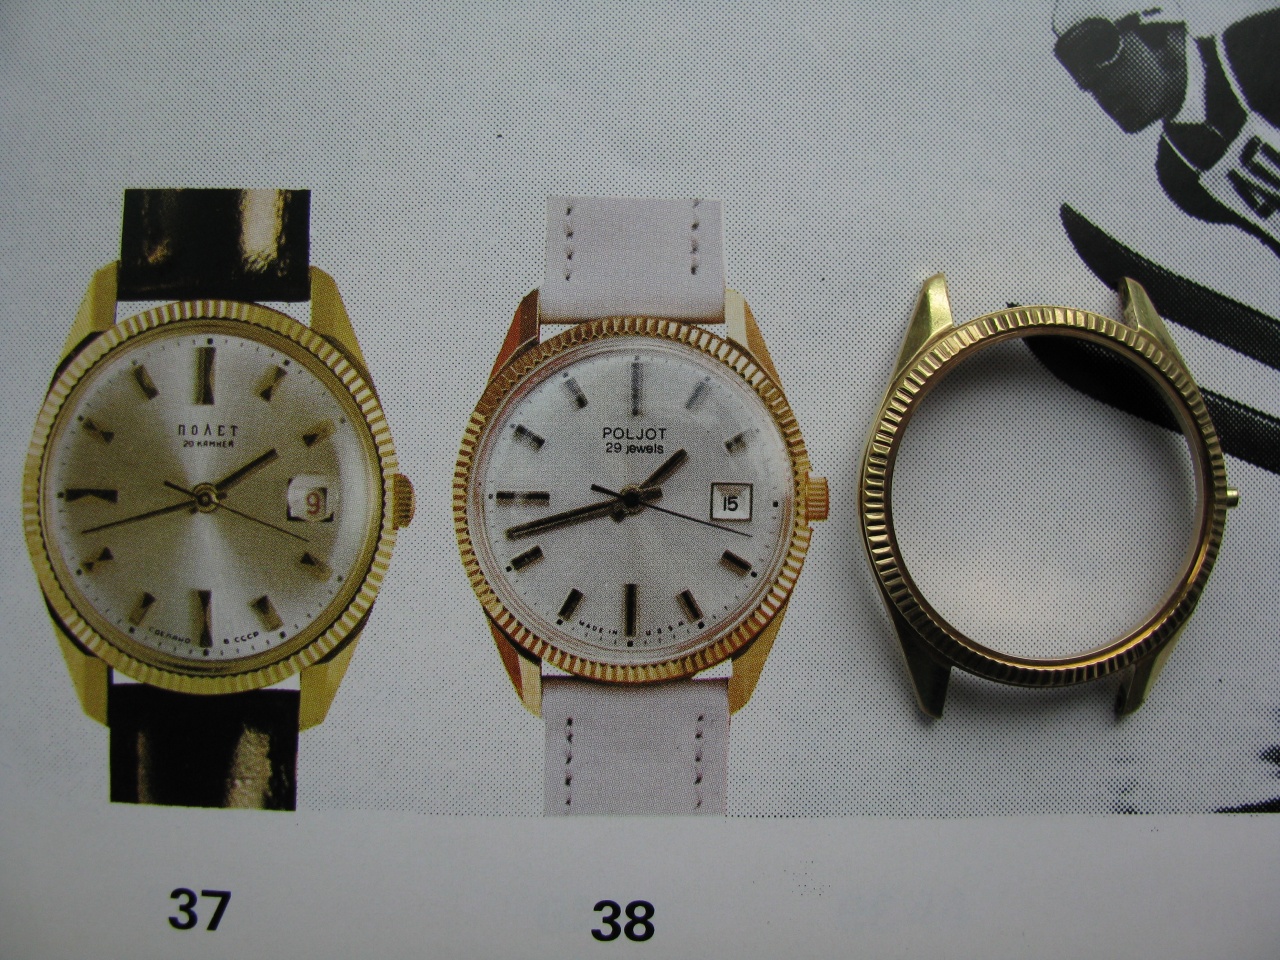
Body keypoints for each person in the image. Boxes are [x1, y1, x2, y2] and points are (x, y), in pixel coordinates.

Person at [1054, 2, 1280, 256]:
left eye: (1107, 60)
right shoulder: (1179, 173)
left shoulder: (1263, 44)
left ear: (1166, 38)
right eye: (1088, 81)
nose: (1103, 92)